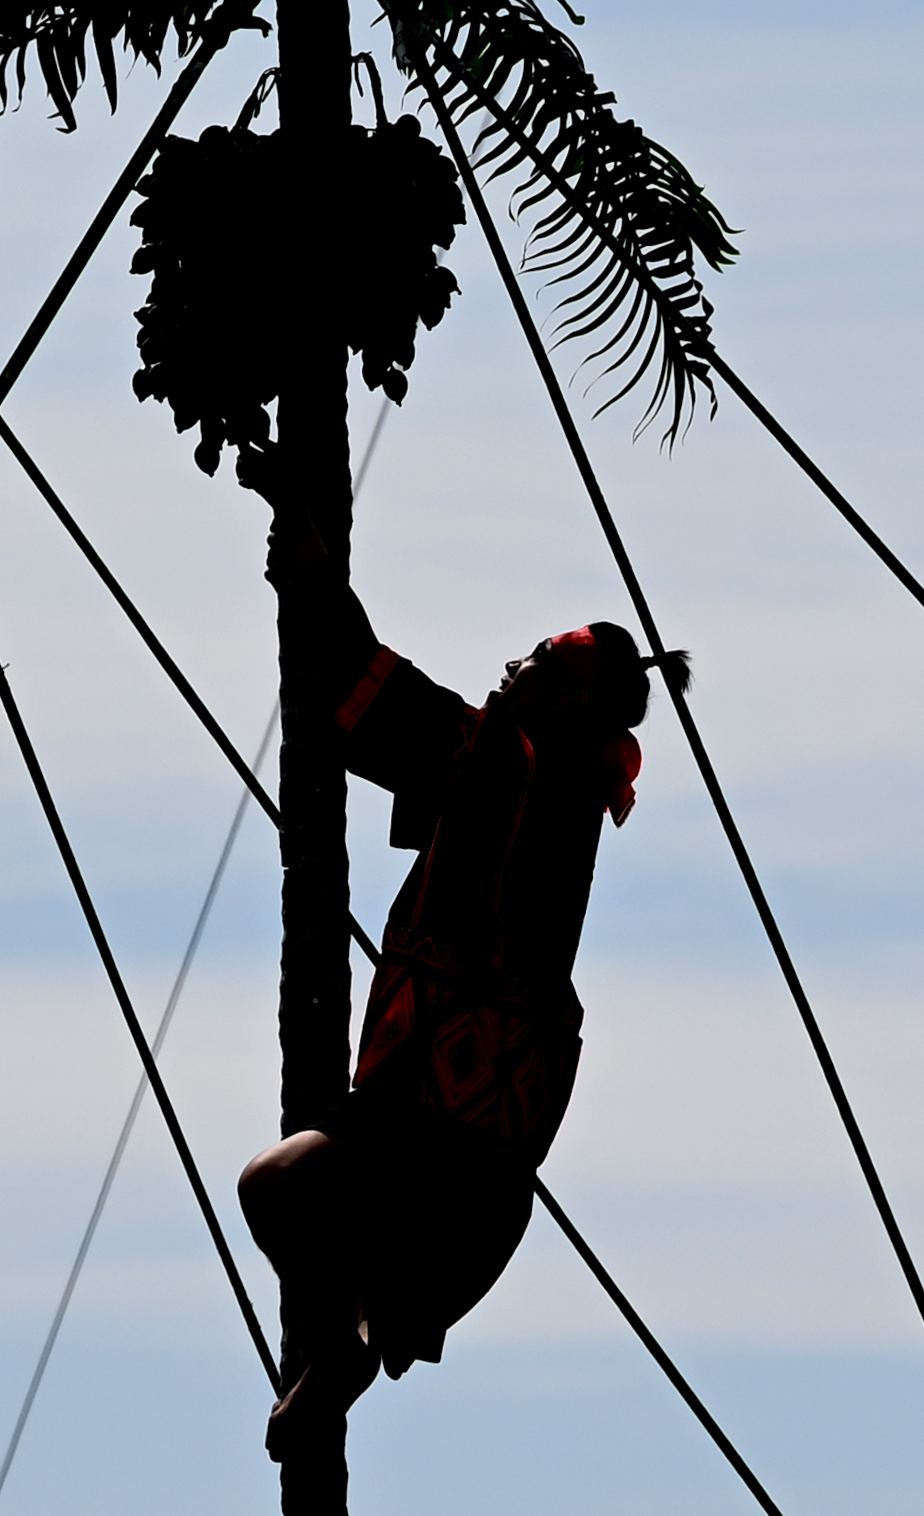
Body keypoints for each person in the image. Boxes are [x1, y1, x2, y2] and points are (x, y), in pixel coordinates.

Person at [237, 479, 688, 1457]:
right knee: (294, 1204)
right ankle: (358, 1334)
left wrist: (304, 554)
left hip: (428, 1136)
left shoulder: (501, 760)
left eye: (538, 660)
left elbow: (359, 687)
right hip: (485, 1177)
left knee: (273, 1188)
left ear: (568, 700)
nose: (513, 664)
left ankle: (348, 1340)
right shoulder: (567, 797)